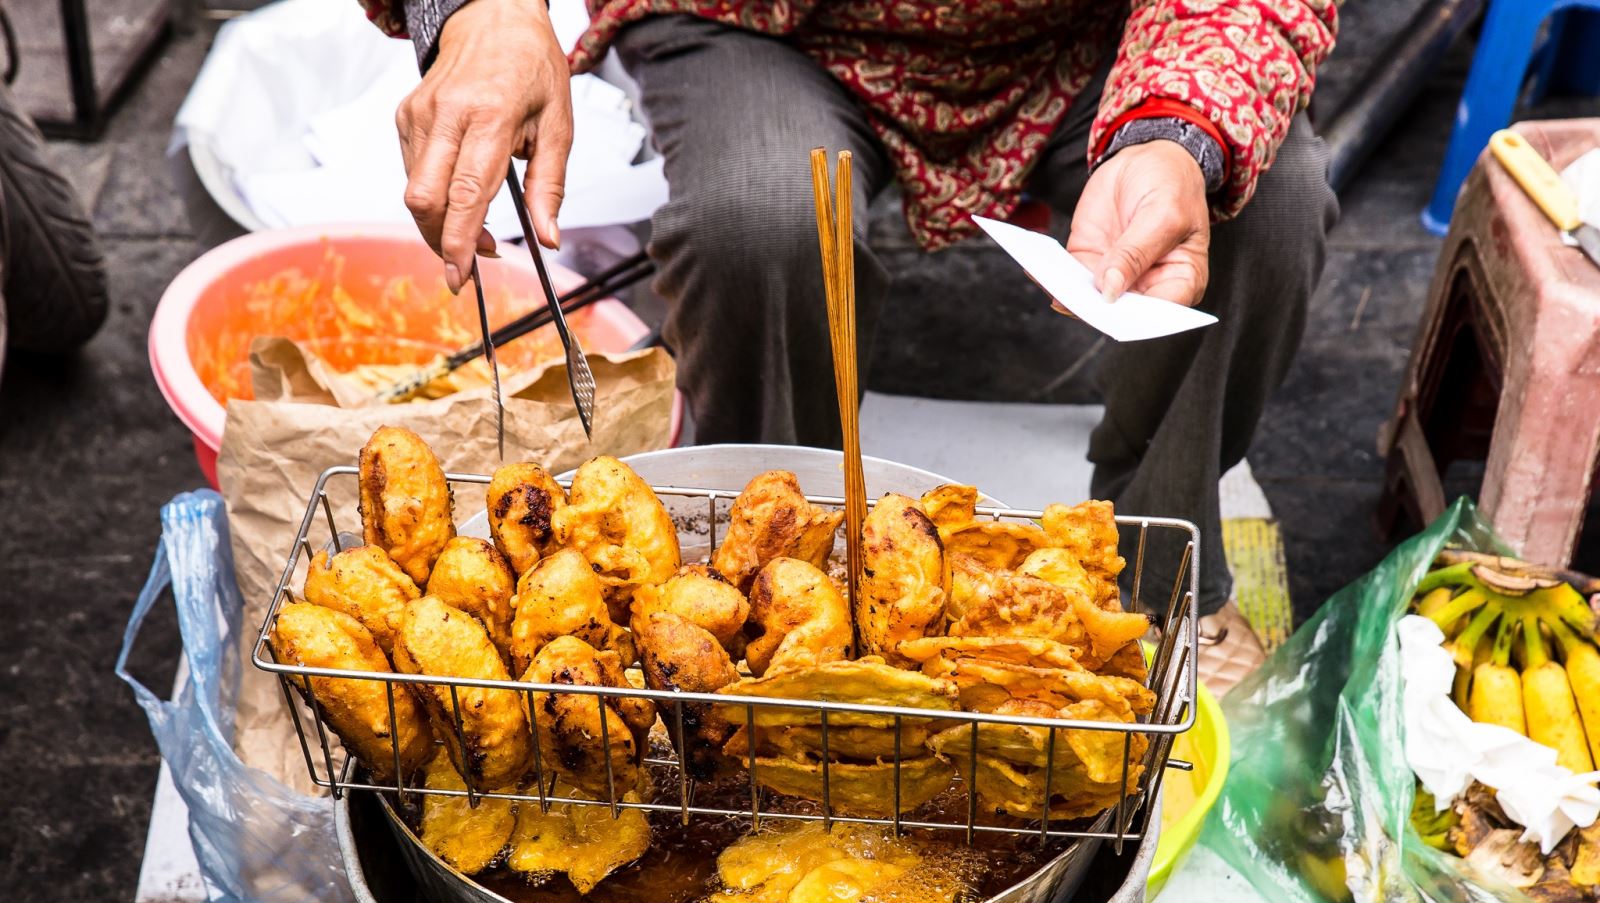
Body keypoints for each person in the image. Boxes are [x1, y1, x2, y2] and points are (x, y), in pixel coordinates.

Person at [361, 0, 1340, 686]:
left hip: (1092, 37)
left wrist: (1181, 132)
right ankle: (767, 576)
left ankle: (1151, 576)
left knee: (1270, 200)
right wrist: (481, 9)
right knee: (756, 216)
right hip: (771, 28)